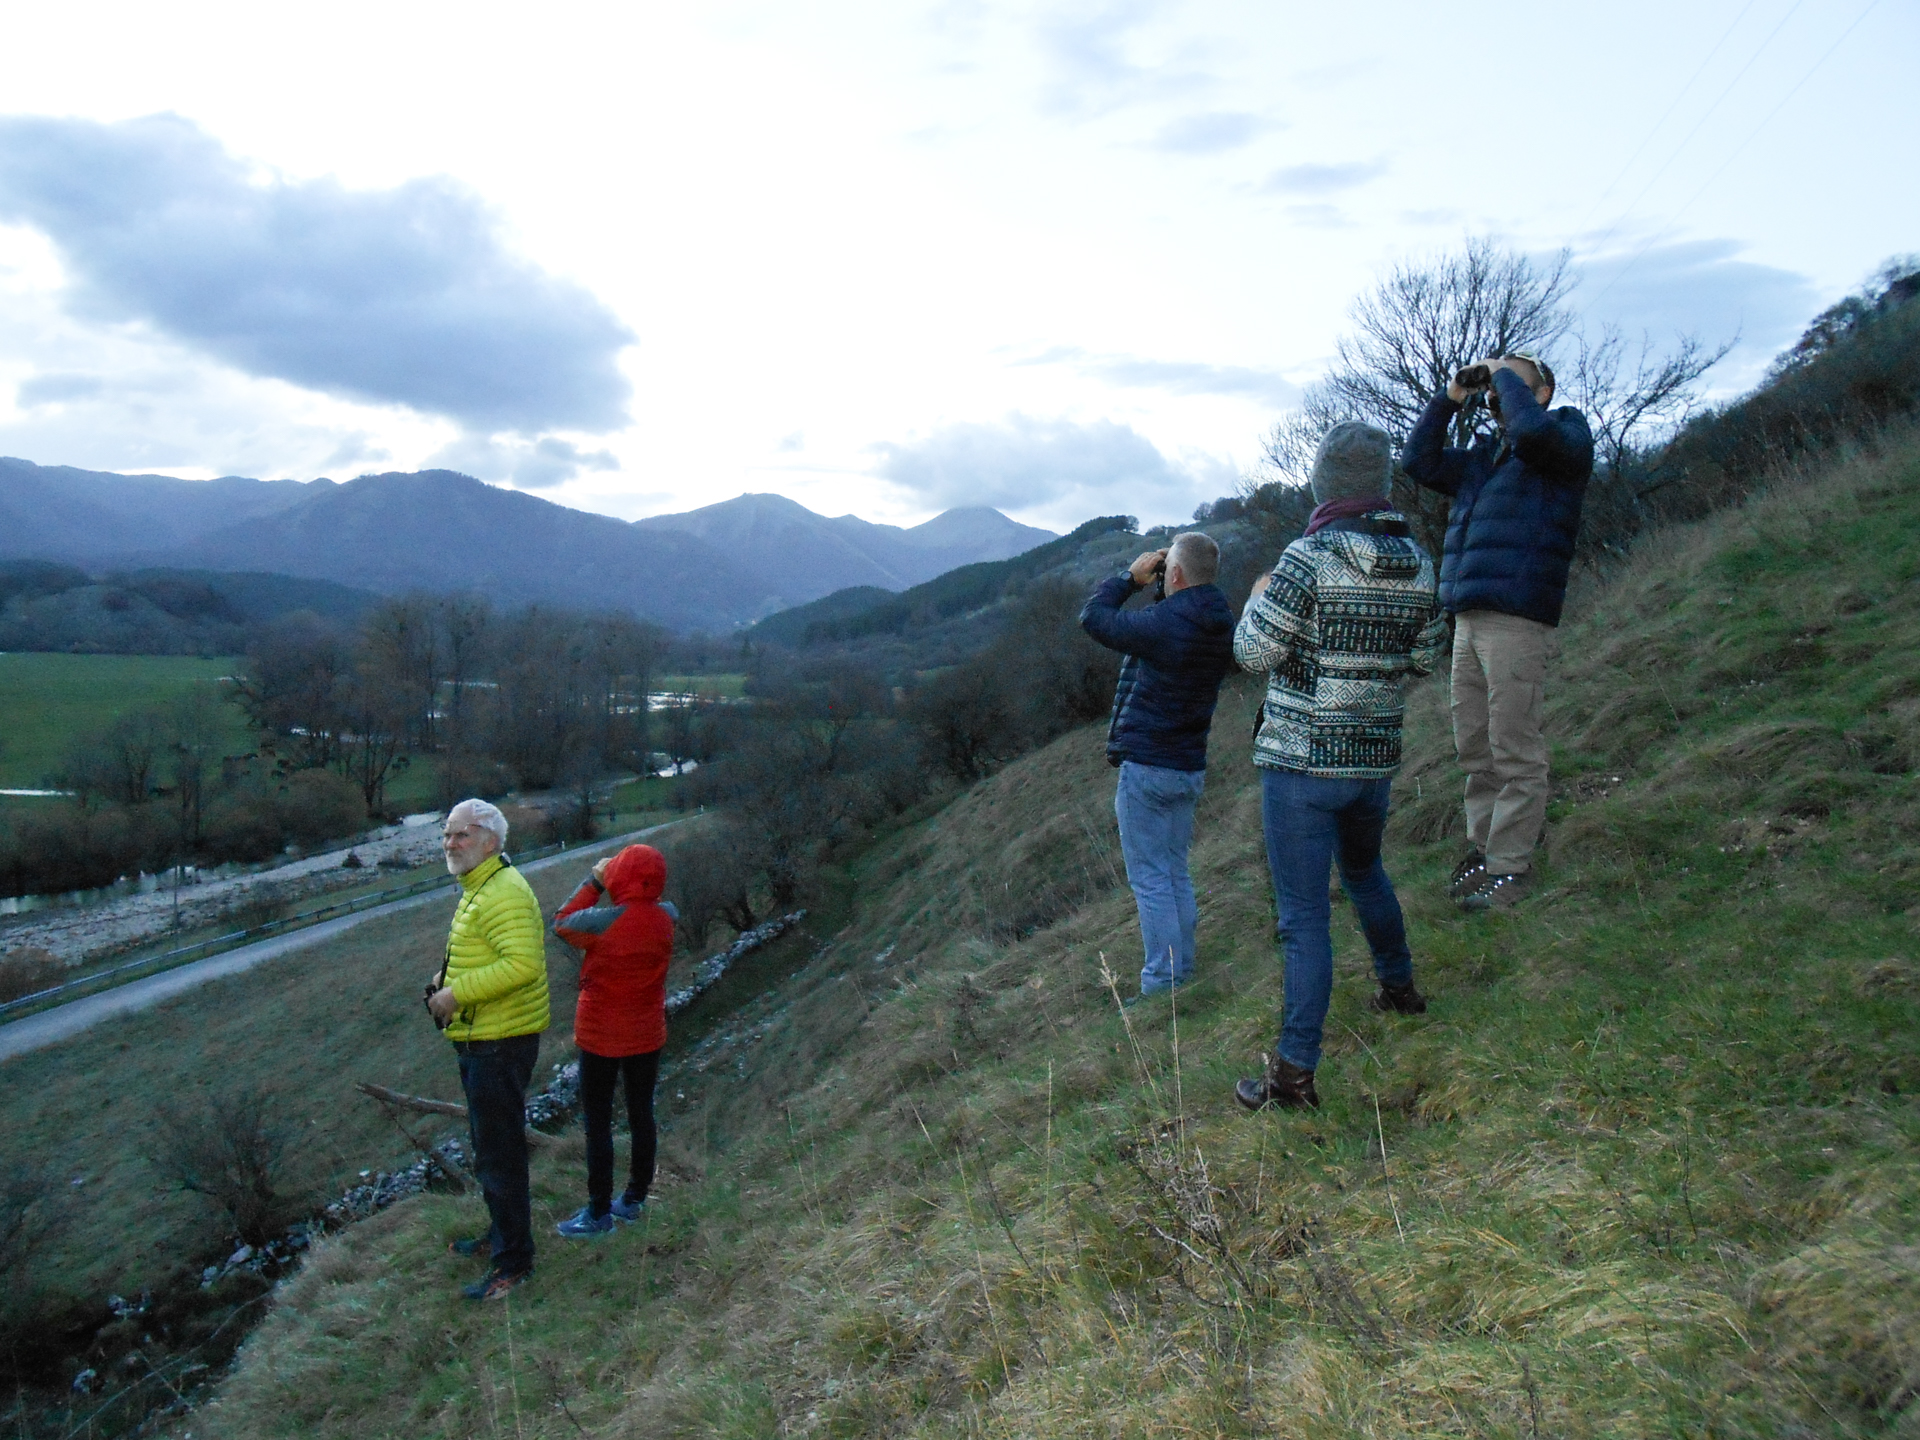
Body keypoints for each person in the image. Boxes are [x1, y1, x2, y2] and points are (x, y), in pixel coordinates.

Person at [1232, 423, 1446, 1111]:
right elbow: (1424, 655)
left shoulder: (1308, 557)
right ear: (1380, 484)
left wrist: (1260, 595)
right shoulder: (1418, 561)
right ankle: (1400, 988)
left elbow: (1254, 653)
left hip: (1301, 766)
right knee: (1365, 874)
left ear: (1325, 483)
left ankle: (1293, 1077)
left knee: (1302, 917)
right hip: (1372, 759)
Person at [1402, 352, 1594, 910]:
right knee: (1475, 747)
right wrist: (1451, 396)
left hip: (1516, 615)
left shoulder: (1563, 439)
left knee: (1514, 746)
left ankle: (1511, 868)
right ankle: (1486, 850)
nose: (1495, 395)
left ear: (1542, 392)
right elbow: (1419, 460)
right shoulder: (1485, 458)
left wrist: (1505, 374)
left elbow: (1534, 436)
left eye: (1507, 387)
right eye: (1492, 390)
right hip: (1467, 616)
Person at [1079, 531, 1237, 1000]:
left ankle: (1163, 983)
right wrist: (1164, 584)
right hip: (1188, 764)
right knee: (1173, 871)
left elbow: (1094, 618)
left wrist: (1129, 578)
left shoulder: (1163, 623)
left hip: (1149, 764)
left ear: (1176, 574)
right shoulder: (1219, 619)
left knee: (1150, 879)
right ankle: (1180, 969)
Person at [427, 798, 549, 1301]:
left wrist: (455, 995)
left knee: (500, 1155)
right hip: (483, 1037)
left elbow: (521, 965)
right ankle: (502, 1238)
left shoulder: (503, 892)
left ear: (491, 842)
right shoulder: (480, 885)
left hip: (498, 1041)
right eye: (448, 834)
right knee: (489, 1149)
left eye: (462, 835)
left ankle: (514, 1263)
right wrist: (442, 979)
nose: (451, 843)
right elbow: (487, 953)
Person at [549, 844, 675, 1237]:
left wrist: (595, 880)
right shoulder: (666, 917)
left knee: (598, 1124)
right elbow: (651, 904)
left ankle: (598, 1213)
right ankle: (634, 1199)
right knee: (642, 1115)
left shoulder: (604, 921)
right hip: (646, 1032)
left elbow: (561, 922)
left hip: (601, 1036)